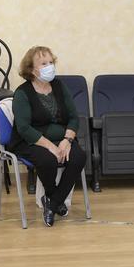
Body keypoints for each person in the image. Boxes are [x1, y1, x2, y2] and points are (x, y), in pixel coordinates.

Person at [8, 46, 86, 227]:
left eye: (51, 62)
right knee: (48, 160)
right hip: (31, 140)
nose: (49, 66)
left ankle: (51, 202)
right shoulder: (22, 93)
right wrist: (51, 146)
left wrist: (67, 141)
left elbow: (74, 117)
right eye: (44, 63)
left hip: (62, 139)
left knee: (78, 158)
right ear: (31, 69)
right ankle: (55, 201)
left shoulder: (59, 86)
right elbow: (24, 128)